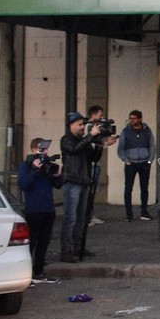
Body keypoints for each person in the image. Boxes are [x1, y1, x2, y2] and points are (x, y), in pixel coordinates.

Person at [59, 112, 105, 263]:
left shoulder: (83, 140)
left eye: (83, 124)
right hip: (72, 181)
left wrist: (100, 145)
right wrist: (90, 136)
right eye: (79, 124)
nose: (82, 127)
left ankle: (78, 248)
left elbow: (93, 158)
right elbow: (74, 149)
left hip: (83, 180)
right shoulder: (66, 139)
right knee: (70, 218)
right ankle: (66, 251)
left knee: (81, 218)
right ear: (71, 125)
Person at [17, 138, 60, 284]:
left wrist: (57, 174)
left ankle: (39, 271)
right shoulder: (26, 165)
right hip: (33, 209)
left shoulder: (47, 165)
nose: (45, 151)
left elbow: (58, 184)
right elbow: (23, 184)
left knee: (44, 242)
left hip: (48, 208)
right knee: (32, 242)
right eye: (42, 149)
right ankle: (27, 273)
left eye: (46, 149)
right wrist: (35, 170)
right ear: (34, 149)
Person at [117, 109, 155, 222]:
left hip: (144, 163)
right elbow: (120, 147)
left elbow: (152, 145)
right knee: (128, 188)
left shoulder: (147, 131)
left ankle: (144, 212)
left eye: (134, 118)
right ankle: (129, 214)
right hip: (131, 163)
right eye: (130, 118)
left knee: (144, 188)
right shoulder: (125, 131)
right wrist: (126, 160)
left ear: (140, 119)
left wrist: (149, 160)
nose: (131, 120)